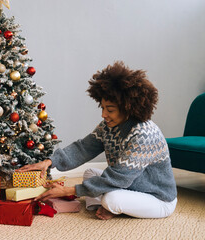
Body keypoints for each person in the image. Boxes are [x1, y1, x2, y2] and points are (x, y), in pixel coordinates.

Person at [16, 61, 177, 220]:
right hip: (131, 187)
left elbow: (118, 178)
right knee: (90, 173)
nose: (103, 114)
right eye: (102, 108)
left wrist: (67, 191)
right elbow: (83, 148)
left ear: (128, 108)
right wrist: (49, 162)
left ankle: (110, 206)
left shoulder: (143, 135)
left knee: (111, 200)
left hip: (158, 199)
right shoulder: (109, 126)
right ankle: (107, 207)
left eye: (110, 110)